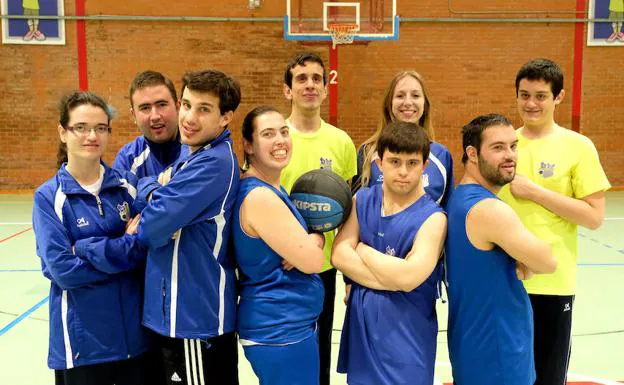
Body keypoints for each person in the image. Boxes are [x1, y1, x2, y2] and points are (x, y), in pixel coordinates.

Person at [498, 58, 611, 385]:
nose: (530, 103)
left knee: (547, 376)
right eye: (524, 95)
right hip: (504, 281)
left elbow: (593, 217)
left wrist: (534, 192)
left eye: (540, 96)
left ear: (558, 97)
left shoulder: (578, 147)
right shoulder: (503, 145)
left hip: (553, 283)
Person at [32, 91, 149, 385]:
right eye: (81, 127)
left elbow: (145, 251)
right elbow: (64, 272)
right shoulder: (49, 198)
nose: (91, 136)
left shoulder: (126, 188)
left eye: (100, 128)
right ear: (63, 132)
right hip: (82, 346)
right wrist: (124, 250)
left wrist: (84, 248)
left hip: (134, 344)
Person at [135, 70, 241, 385]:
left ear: (226, 117)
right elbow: (145, 184)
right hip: (180, 317)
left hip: (194, 319)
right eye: (186, 104)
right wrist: (154, 191)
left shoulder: (214, 164)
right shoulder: (191, 155)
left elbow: (150, 229)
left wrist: (152, 204)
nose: (189, 118)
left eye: (203, 109)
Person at [332, 121, 447, 385]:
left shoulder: (434, 219)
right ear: (379, 162)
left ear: (425, 166)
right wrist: (392, 277)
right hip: (363, 338)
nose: (403, 171)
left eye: (412, 163)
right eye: (395, 162)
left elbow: (408, 278)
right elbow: (338, 256)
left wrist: (361, 249)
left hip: (408, 340)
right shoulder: (361, 200)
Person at [446, 113, 557, 385]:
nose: (510, 155)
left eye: (513, 145)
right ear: (472, 154)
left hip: (473, 348)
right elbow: (548, 262)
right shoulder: (489, 210)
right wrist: (525, 259)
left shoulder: (457, 199)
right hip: (498, 355)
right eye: (498, 148)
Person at [280, 52, 357, 385]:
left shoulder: (341, 142)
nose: (309, 85)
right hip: (277, 265)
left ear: (326, 89)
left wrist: (349, 269)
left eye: (316, 79)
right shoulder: (275, 136)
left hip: (322, 268)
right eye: (301, 78)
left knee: (319, 351)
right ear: (288, 90)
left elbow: (351, 211)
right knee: (281, 354)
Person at [233, 105, 325, 385]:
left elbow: (308, 248)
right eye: (268, 134)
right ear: (248, 145)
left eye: (284, 132)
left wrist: (315, 239)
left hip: (287, 324)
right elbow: (313, 261)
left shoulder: (273, 188)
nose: (280, 141)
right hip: (278, 328)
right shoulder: (260, 197)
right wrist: (312, 244)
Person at [353, 71, 453, 207]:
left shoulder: (441, 155)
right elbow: (357, 209)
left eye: (415, 95)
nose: (407, 102)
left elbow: (448, 208)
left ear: (425, 104)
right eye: (400, 96)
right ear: (389, 104)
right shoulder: (367, 152)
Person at [113, 70, 189, 178]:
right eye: (145, 108)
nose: (155, 116)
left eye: (162, 105)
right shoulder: (128, 159)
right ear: (133, 115)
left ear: (178, 107)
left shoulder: (198, 150)